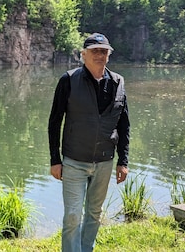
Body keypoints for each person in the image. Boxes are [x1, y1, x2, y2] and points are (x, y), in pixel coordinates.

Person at [47, 33, 130, 252]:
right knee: (73, 216)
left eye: (104, 51)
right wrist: (55, 159)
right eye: (95, 51)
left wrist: (123, 161)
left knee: (94, 214)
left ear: (109, 56)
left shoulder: (118, 82)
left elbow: (124, 125)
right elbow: (55, 121)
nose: (100, 55)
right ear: (84, 55)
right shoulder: (69, 80)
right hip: (74, 161)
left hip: (104, 162)